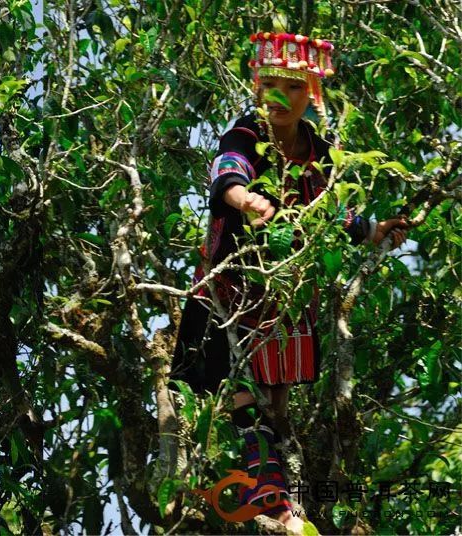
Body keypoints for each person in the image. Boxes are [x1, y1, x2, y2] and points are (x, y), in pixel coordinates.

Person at [172, 31, 407, 533]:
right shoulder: (246, 132)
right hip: (233, 280)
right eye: (270, 84)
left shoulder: (319, 150)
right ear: (257, 86)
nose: (279, 96)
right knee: (236, 380)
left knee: (277, 399)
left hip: (286, 287)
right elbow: (227, 172)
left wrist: (373, 232)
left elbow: (330, 213)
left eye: (292, 87)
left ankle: (278, 479)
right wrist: (245, 199)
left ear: (312, 94)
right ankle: (268, 484)